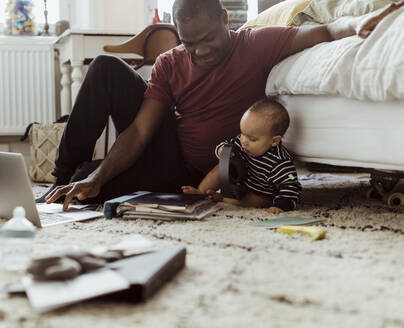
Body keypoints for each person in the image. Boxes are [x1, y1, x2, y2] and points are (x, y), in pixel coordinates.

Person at [44, 0, 403, 210]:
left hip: (211, 170)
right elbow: (140, 130)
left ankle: (79, 178)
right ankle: (61, 178)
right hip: (170, 154)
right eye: (189, 43)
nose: (199, 51)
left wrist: (356, 23)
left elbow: (323, 32)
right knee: (105, 75)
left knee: (88, 184)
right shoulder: (171, 62)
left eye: (207, 40)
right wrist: (98, 175)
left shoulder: (257, 44)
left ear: (224, 20)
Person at [182, 99, 301, 214]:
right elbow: (225, 145)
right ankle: (201, 192)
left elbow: (291, 187)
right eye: (243, 133)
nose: (244, 141)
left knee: (257, 200)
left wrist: (280, 206)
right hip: (238, 183)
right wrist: (222, 151)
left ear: (274, 141)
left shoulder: (280, 163)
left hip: (261, 193)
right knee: (220, 168)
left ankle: (223, 199)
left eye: (252, 139)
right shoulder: (241, 142)